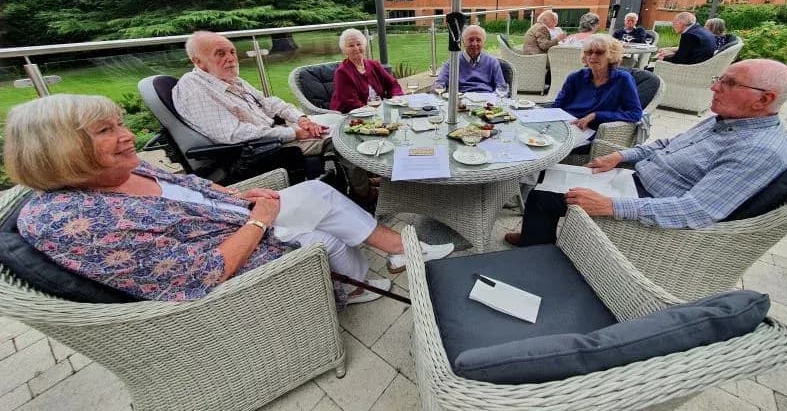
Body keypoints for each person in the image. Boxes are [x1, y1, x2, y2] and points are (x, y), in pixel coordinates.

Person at [4, 94, 454, 305]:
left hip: (238, 216)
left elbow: (187, 192)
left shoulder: (121, 169)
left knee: (319, 192)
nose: (128, 137)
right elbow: (199, 275)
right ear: (60, 150)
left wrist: (239, 195)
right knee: (326, 237)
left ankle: (398, 251)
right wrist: (259, 220)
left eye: (121, 124)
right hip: (235, 253)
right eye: (107, 130)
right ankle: (357, 284)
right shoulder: (74, 223)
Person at [506, 59, 787, 246]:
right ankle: (535, 236)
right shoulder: (727, 121)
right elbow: (666, 144)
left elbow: (696, 211)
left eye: (729, 83)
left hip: (649, 200)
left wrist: (610, 206)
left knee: (544, 197)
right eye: (720, 78)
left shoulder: (759, 150)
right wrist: (621, 156)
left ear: (764, 100)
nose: (714, 87)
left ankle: (537, 256)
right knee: (547, 174)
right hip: (633, 179)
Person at [172, 31, 372, 201]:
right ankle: (363, 194)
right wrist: (293, 133)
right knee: (343, 136)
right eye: (220, 54)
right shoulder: (193, 88)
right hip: (259, 150)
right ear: (198, 61)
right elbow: (233, 134)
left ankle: (362, 179)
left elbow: (269, 103)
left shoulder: (228, 80)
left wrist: (302, 119)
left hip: (275, 133)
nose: (231, 58)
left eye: (232, 52)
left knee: (340, 122)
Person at [553, 34, 642, 145]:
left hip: (593, 133)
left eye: (599, 52)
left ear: (611, 55)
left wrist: (596, 115)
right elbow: (557, 106)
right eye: (589, 52)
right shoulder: (575, 77)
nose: (593, 57)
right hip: (567, 126)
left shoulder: (622, 80)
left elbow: (635, 114)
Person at [330, 28, 404, 113]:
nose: (356, 48)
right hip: (350, 115)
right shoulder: (342, 72)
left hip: (377, 111)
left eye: (359, 44)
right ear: (344, 50)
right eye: (351, 46)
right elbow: (350, 102)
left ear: (364, 45)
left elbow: (393, 84)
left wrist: (395, 98)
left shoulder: (374, 65)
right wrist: (373, 111)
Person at [433, 24, 506, 93]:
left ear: (483, 42)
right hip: (461, 99)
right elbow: (439, 84)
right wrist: (439, 88)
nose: (474, 44)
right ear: (463, 42)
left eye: (478, 40)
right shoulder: (452, 63)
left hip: (486, 99)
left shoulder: (492, 62)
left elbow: (501, 88)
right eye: (470, 40)